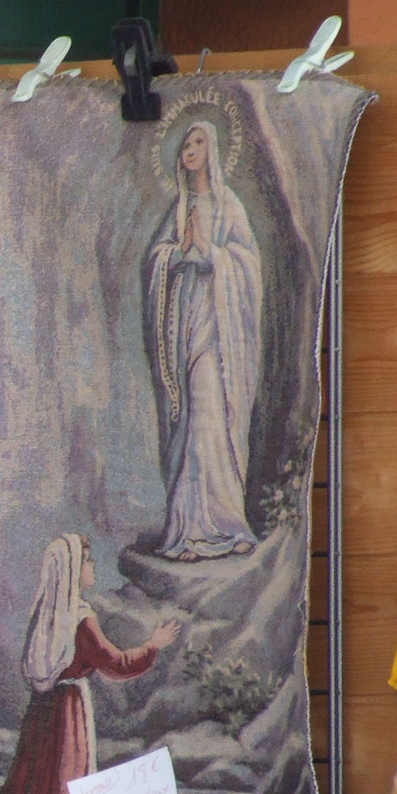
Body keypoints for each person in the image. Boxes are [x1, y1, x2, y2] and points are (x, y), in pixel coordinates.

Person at [0, 535, 180, 794]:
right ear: (72, 570)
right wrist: (153, 645)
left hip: (42, 711)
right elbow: (117, 664)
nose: (93, 566)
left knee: (39, 784)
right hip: (69, 712)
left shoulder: (47, 615)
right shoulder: (81, 619)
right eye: (87, 561)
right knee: (66, 781)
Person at [144, 118, 263, 563]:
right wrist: (177, 253)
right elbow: (157, 259)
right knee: (193, 415)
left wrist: (210, 253)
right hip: (187, 325)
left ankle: (226, 522)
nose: (189, 149)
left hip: (220, 329)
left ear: (210, 150)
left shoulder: (228, 205)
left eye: (198, 142)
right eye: (185, 143)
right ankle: (189, 529)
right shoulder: (179, 207)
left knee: (212, 409)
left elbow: (247, 265)